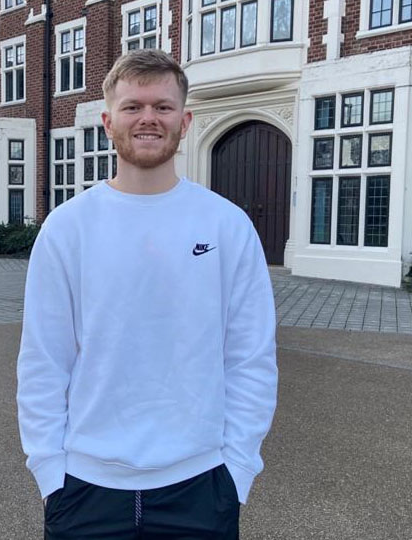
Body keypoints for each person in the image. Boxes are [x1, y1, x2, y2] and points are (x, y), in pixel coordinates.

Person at [17, 49, 278, 539]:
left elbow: (250, 356)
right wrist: (50, 472)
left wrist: (238, 469)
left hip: (200, 485)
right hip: (85, 487)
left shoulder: (226, 225)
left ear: (185, 120)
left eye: (162, 106)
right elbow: (43, 360)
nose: (148, 118)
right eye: (133, 106)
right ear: (108, 121)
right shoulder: (67, 228)